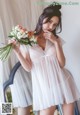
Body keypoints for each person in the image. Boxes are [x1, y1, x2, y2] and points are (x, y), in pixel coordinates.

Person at [9, 2, 80, 115]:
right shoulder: (26, 39)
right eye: (50, 21)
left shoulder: (56, 39)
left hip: (62, 83)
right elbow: (28, 68)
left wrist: (56, 43)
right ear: (42, 18)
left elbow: (62, 64)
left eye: (55, 25)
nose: (51, 27)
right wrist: (17, 52)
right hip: (45, 89)